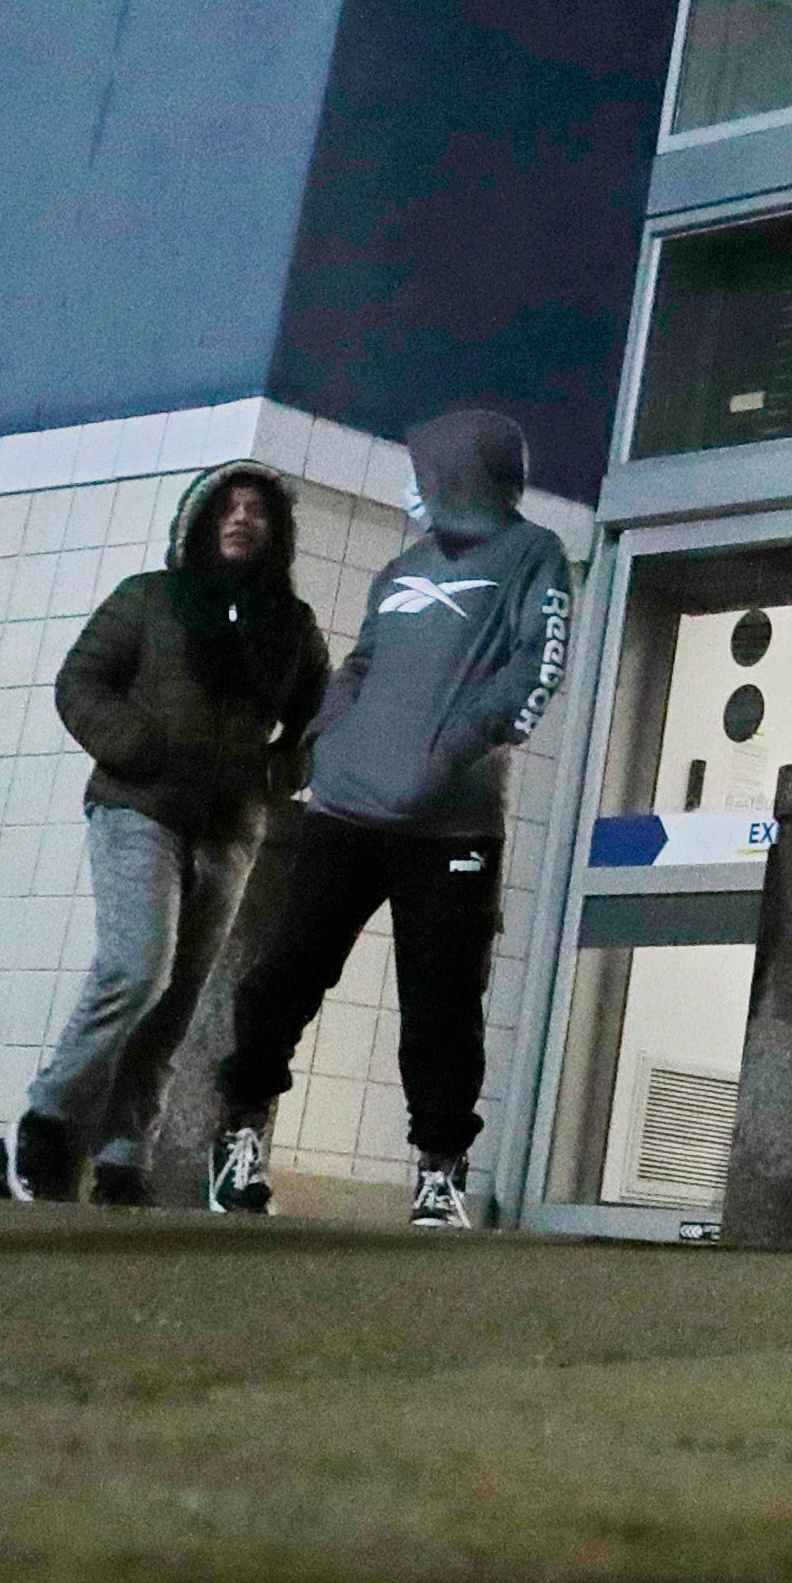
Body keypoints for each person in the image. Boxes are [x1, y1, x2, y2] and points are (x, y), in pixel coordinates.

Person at [212, 413, 577, 1233]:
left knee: (442, 1004)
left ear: (461, 472)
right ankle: (239, 1133)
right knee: (285, 975)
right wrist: (328, 739)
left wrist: (457, 746)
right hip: (345, 812)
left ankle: (439, 1171)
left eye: (426, 470)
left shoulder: (534, 553)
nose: (414, 485)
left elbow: (538, 661)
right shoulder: (402, 567)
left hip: (454, 826)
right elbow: (362, 662)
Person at [21, 464, 326, 1206]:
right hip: (140, 804)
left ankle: (125, 1153)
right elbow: (80, 681)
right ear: (199, 521)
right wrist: (136, 744)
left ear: (276, 531)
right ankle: (50, 1116)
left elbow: (320, 718)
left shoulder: (291, 624)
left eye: (256, 509)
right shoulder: (148, 597)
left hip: (230, 824)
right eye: (227, 507)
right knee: (136, 968)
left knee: (179, 997)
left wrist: (278, 772)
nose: (241, 518)